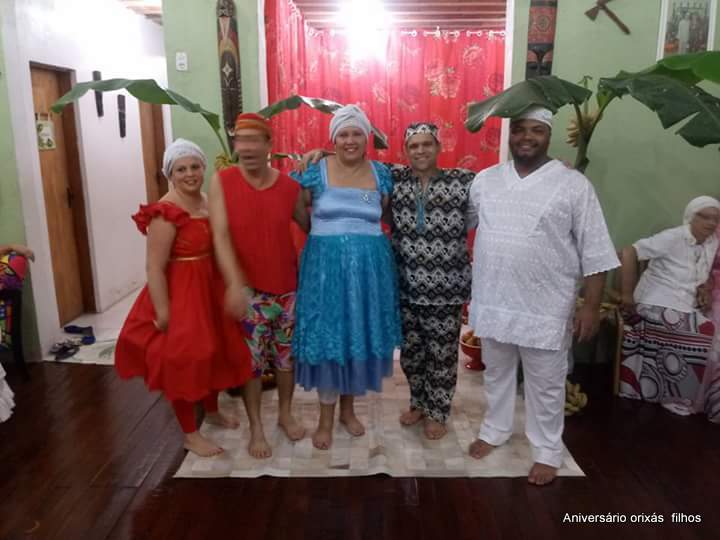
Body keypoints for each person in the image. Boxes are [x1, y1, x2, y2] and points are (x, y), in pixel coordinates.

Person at [467, 106, 619, 485]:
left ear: (548, 135)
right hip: (494, 297)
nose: (526, 137)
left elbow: (596, 250)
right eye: (520, 129)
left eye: (536, 130)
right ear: (510, 134)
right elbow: (459, 221)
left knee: (547, 383)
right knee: (496, 373)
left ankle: (548, 450)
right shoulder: (485, 180)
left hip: (546, 305)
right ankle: (495, 429)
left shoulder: (573, 185)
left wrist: (590, 306)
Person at [301, 122, 476, 439]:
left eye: (427, 144)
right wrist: (325, 153)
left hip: (445, 286)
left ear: (439, 147)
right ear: (405, 151)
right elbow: (350, 162)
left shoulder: (462, 181)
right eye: (414, 146)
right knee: (412, 353)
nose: (421, 151)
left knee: (441, 353)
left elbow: (476, 216)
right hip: (403, 282)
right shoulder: (396, 176)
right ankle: (418, 404)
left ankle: (437, 412)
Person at [115, 138, 252, 457]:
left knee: (215, 349)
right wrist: (163, 311)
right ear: (170, 174)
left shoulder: (207, 202)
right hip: (182, 293)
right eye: (181, 169)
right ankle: (190, 433)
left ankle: (212, 411)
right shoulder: (166, 212)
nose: (189, 174)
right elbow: (154, 267)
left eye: (194, 166)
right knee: (186, 359)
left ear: (203, 168)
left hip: (210, 287)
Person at [292, 104, 401, 450]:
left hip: (370, 270)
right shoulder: (314, 171)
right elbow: (298, 212)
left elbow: (383, 213)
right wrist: (326, 240)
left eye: (356, 133)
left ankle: (348, 411)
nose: (350, 140)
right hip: (325, 269)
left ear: (367, 138)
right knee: (330, 338)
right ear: (333, 139)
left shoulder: (382, 174)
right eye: (343, 134)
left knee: (357, 335)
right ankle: (325, 419)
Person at [209, 113, 309, 459]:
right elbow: (219, 235)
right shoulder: (222, 181)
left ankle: (285, 413)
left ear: (270, 144)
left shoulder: (290, 187)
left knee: (285, 359)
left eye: (254, 140)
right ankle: (256, 426)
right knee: (250, 365)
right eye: (241, 140)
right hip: (248, 291)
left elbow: (311, 225)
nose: (247, 148)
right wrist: (234, 282)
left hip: (287, 288)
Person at [619, 196, 720, 416]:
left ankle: (679, 393)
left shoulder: (711, 243)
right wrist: (627, 295)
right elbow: (628, 252)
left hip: (685, 304)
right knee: (695, 330)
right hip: (656, 300)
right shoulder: (673, 237)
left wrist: (704, 289)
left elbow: (703, 275)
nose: (712, 223)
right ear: (691, 217)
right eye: (705, 217)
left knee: (711, 331)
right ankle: (669, 395)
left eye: (716, 219)